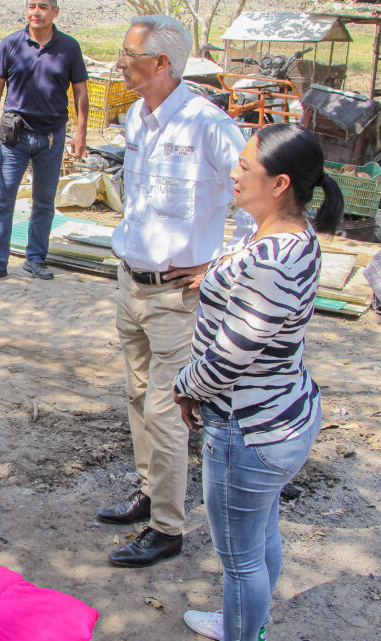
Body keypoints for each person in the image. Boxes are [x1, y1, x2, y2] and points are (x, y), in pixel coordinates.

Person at [96, 15, 257, 568]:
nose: (121, 63)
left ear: (161, 62)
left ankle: (168, 528)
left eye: (129, 53)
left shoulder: (208, 125)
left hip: (177, 297)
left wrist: (222, 263)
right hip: (132, 283)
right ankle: (150, 491)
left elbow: (256, 201)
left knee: (166, 411)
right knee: (137, 394)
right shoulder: (136, 118)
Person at [175, 125, 342, 641]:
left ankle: (243, 631)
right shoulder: (287, 236)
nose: (234, 173)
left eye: (246, 167)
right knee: (261, 532)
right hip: (279, 413)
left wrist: (185, 385)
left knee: (240, 559)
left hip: (247, 428)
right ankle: (249, 624)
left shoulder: (271, 259)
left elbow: (231, 355)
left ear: (279, 183)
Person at [0, 0, 88, 286]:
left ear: (55, 12)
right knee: (4, 198)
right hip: (16, 136)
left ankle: (35, 259)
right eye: (31, 6)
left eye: (43, 7)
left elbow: (80, 91)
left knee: (44, 202)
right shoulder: (11, 44)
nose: (36, 12)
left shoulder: (69, 47)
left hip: (51, 137)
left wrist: (81, 134)